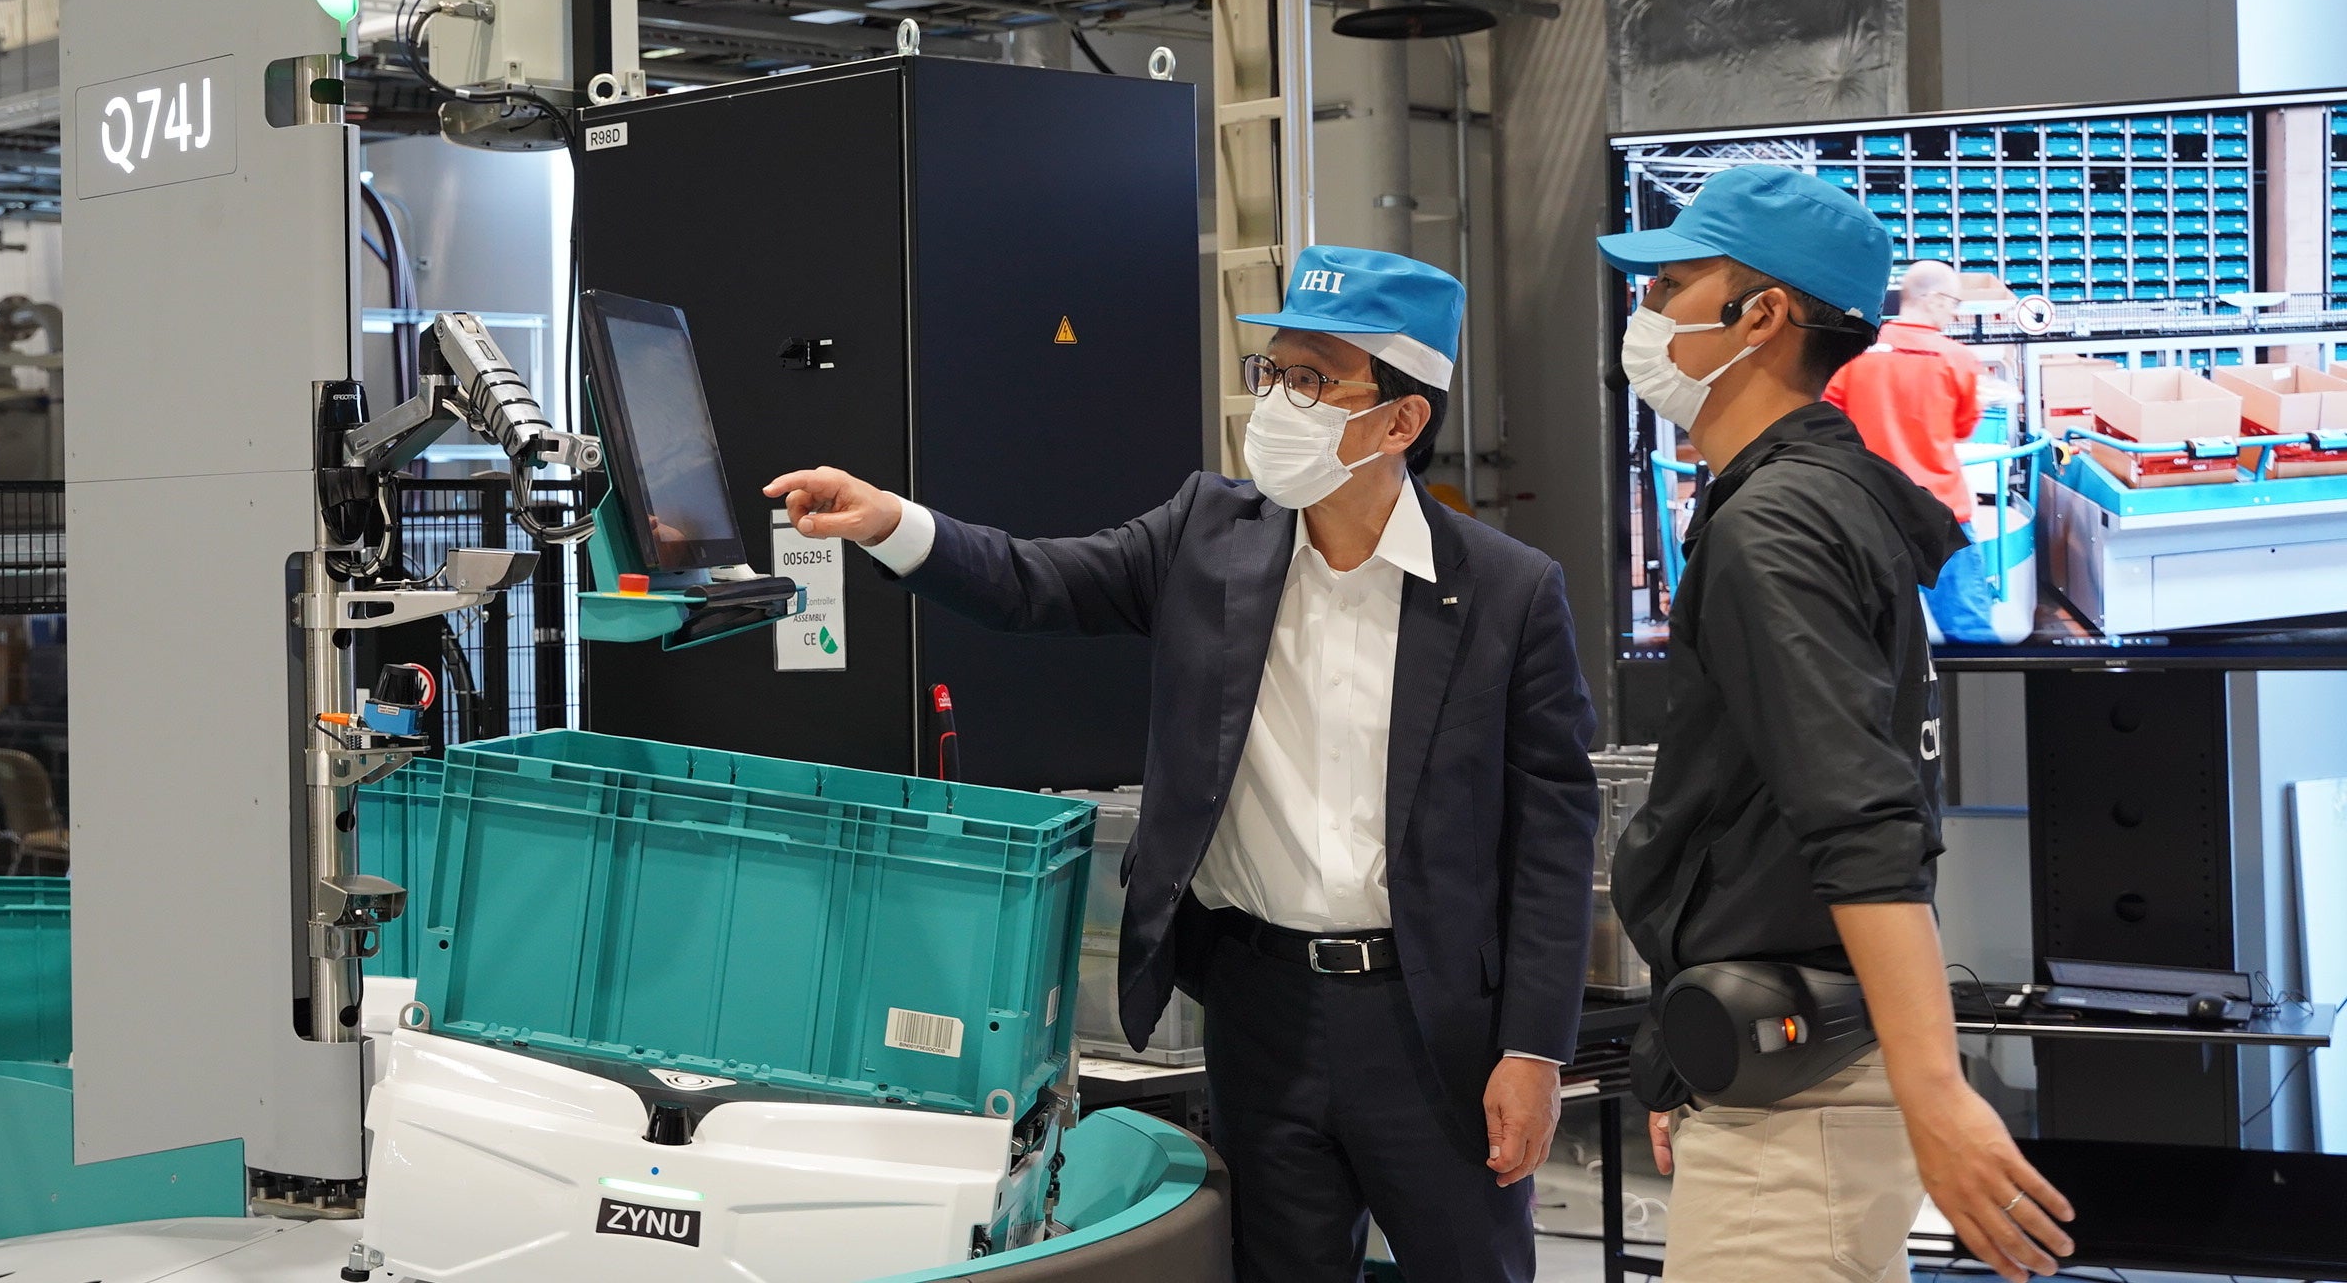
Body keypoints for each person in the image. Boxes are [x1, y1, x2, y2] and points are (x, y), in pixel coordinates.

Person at [764, 247, 1598, 1283]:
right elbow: (1034, 581)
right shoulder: (1208, 533)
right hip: (1262, 1008)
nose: (1276, 402)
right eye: (1272, 370)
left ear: (1400, 422)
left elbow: (1554, 832)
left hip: (1432, 1023)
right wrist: (894, 523)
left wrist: (1533, 1048)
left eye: (1313, 379)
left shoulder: (1508, 592)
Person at [1594, 166, 2076, 1283]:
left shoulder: (1773, 524)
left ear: (1758, 315)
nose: (1644, 312)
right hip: (1777, 1064)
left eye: (1668, 284)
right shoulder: (1824, 493)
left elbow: (1859, 823)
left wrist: (1936, 1091)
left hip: (1796, 1115)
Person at [1822, 258, 1986, 522]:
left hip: (1872, 509)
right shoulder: (1959, 360)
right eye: (1954, 302)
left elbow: (1830, 424)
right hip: (1940, 509)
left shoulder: (1855, 355)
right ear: (1934, 299)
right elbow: (1963, 429)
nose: (1955, 313)